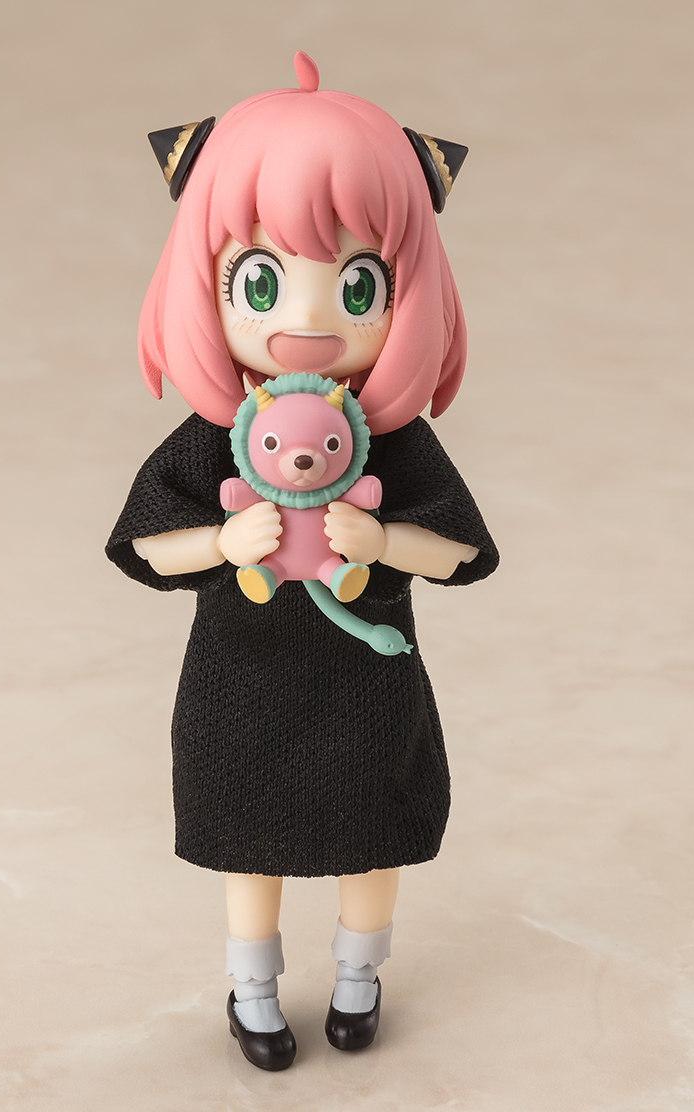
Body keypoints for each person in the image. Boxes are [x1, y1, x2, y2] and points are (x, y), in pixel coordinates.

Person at [106, 51, 499, 1071]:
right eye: (262, 280)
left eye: (359, 282)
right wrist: (220, 542)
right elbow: (145, 542)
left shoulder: (393, 444)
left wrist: (386, 541)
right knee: (249, 841)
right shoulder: (215, 438)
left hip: (366, 680)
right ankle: (253, 988)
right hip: (241, 682)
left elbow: (462, 551)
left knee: (374, 835)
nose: (311, 320)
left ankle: (360, 974)